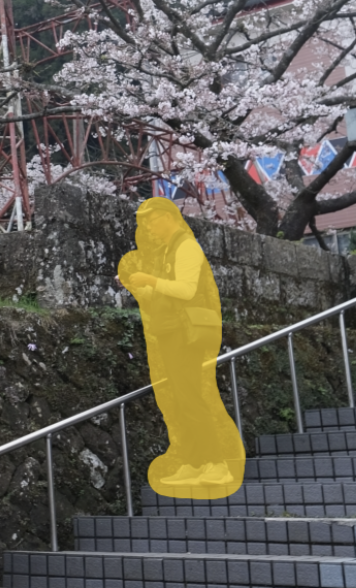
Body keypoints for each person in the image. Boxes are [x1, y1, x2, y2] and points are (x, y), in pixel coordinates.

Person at [118, 198, 244, 499]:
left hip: (186, 334)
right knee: (179, 399)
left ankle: (214, 461)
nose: (148, 228)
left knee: (191, 396)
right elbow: (162, 295)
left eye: (151, 221)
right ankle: (196, 460)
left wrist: (150, 279)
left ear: (166, 217)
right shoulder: (166, 251)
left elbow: (186, 290)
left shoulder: (186, 246)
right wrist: (137, 285)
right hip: (172, 333)